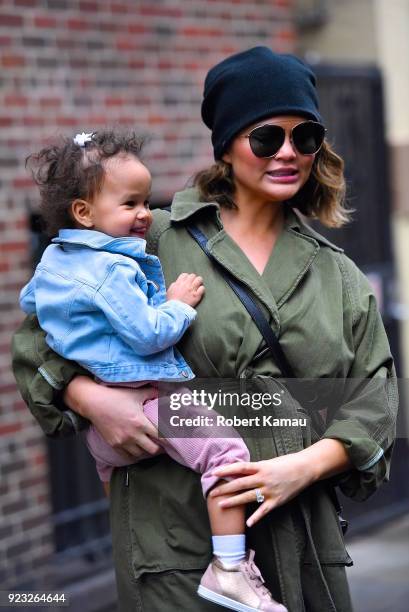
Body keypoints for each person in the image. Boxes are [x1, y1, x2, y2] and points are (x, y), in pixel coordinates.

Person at [12, 47, 398, 612]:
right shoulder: (148, 243)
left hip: (303, 545)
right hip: (176, 546)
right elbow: (39, 338)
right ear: (226, 146)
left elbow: (376, 399)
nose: (288, 152)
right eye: (267, 137)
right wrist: (92, 399)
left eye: (305, 137)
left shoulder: (337, 275)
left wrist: (305, 466)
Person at [18, 129, 287, 612]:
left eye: (146, 201)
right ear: (84, 212)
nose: (144, 213)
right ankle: (229, 568)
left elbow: (34, 307)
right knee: (225, 453)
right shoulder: (113, 267)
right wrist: (176, 304)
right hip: (147, 399)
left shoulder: (54, 261)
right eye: (131, 204)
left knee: (120, 490)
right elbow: (147, 334)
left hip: (105, 439)